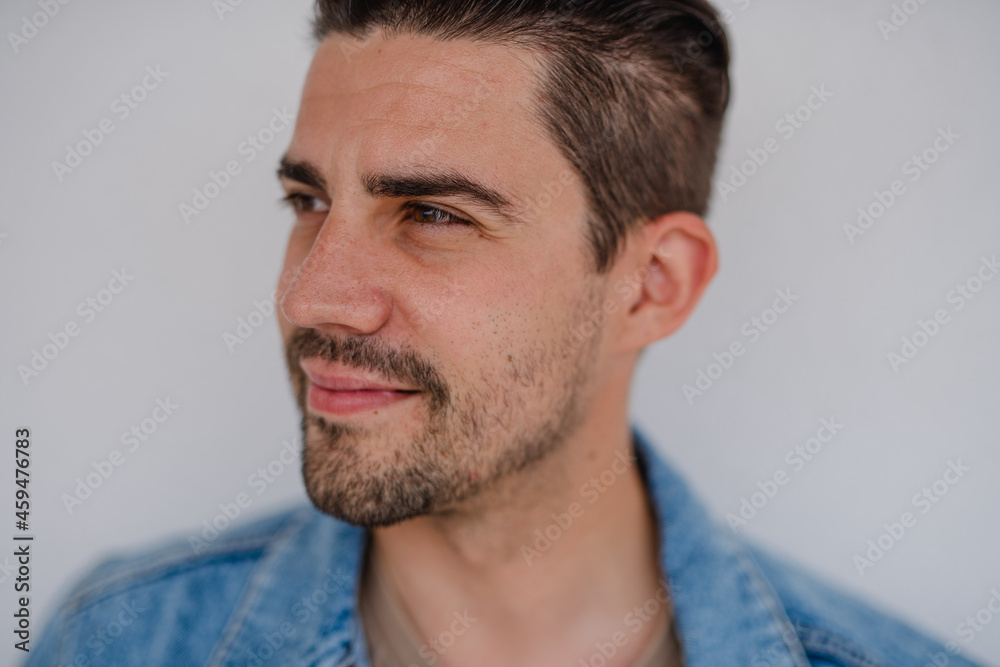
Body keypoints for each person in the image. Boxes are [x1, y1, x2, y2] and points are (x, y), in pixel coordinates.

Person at [29, 1, 981, 665]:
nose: (314, 295)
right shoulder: (121, 639)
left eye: (434, 214)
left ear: (651, 285)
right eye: (308, 200)